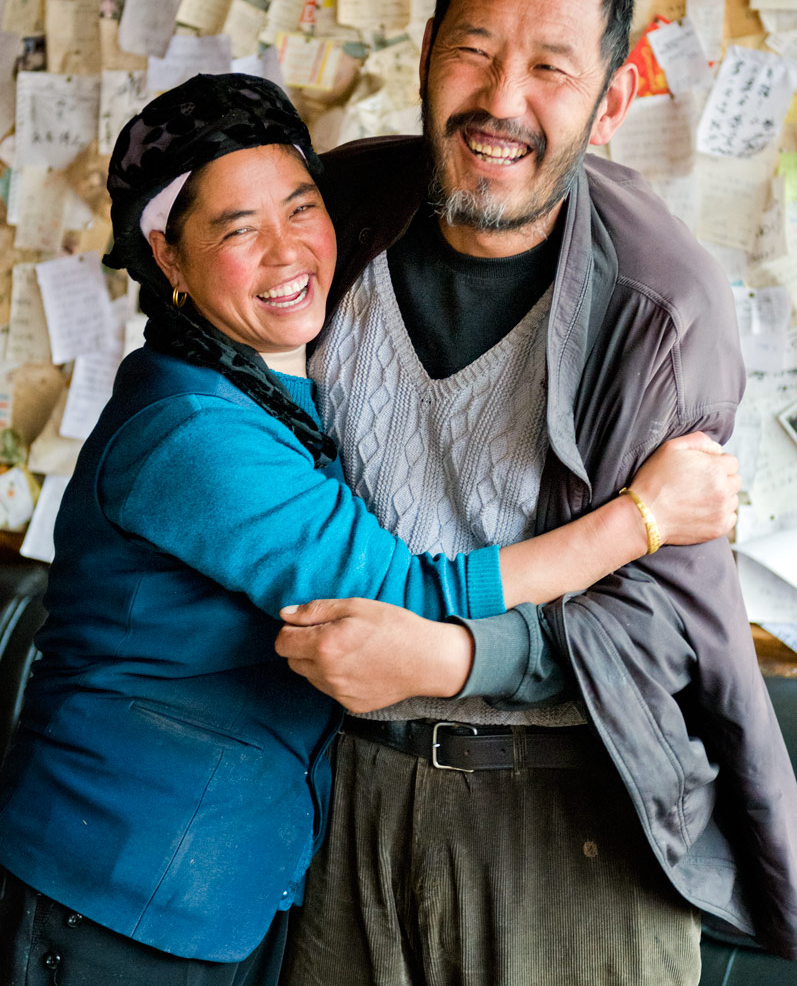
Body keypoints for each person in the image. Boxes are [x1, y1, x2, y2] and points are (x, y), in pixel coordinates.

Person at [0, 74, 737, 986]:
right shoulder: (192, 433)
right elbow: (398, 594)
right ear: (168, 256)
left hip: (218, 887)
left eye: (301, 208)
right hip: (120, 887)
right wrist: (643, 517)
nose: (287, 252)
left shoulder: (266, 389)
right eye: (237, 230)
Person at [276, 0, 797, 985]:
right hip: (341, 800)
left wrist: (453, 657)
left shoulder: (658, 304)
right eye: (473, 49)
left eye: (549, 69)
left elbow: (660, 621)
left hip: (570, 818)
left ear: (608, 101)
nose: (499, 101)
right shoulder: (336, 217)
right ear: (426, 53)